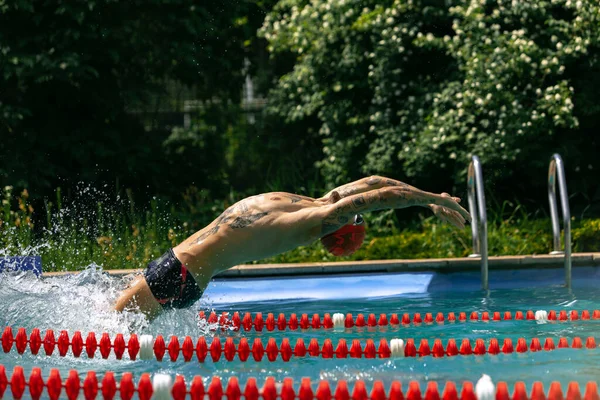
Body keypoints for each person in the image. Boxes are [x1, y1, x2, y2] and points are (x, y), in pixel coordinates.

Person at [114, 176, 470, 317]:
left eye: (357, 218)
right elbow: (375, 183)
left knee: (106, 328)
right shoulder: (317, 205)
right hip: (183, 273)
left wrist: (430, 201)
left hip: (178, 273)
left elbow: (379, 196)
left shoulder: (313, 219)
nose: (359, 215)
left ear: (339, 227)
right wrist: (433, 199)